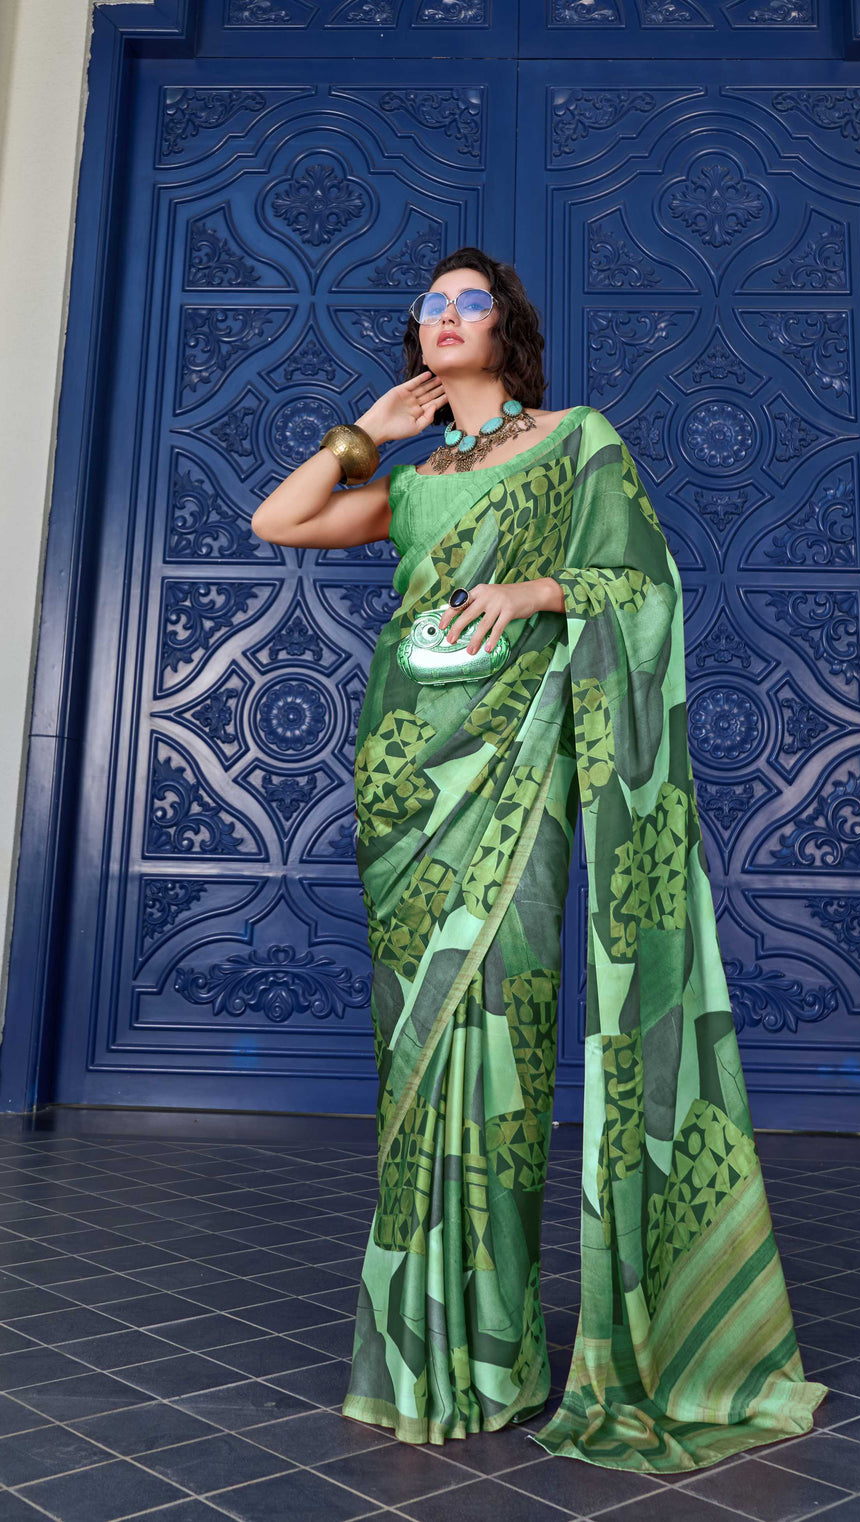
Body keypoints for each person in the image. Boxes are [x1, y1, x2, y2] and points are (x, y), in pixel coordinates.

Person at [251, 246, 828, 1475]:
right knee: (415, 1045)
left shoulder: (577, 442)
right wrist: (364, 430)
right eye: (431, 306)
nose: (449, 316)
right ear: (418, 339)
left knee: (499, 1037)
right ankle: (426, 1351)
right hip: (403, 778)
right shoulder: (409, 482)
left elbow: (647, 584)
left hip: (514, 773)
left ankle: (497, 1351)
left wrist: (533, 591)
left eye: (471, 302)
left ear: (507, 328)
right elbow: (278, 518)